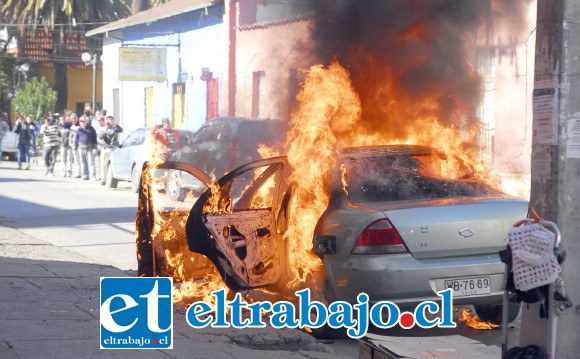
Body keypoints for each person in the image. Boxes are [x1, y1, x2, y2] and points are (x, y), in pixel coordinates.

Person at [98, 115, 123, 185]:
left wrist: (115, 125)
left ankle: (113, 179)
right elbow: (100, 137)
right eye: (108, 119)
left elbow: (121, 130)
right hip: (105, 148)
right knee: (103, 164)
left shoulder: (115, 128)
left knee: (112, 164)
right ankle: (103, 179)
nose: (109, 121)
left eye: (111, 119)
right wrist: (105, 131)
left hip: (113, 149)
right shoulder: (104, 127)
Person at [75, 115, 98, 180]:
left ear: (86, 122)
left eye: (83, 121)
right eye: (80, 121)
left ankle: (93, 176)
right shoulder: (79, 129)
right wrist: (75, 147)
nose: (82, 122)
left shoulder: (91, 129)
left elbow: (94, 138)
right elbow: (76, 139)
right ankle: (85, 175)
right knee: (83, 162)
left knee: (91, 163)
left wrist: (95, 148)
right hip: (81, 148)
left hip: (89, 148)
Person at [69, 114, 82, 178]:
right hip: (74, 146)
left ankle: (82, 173)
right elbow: (70, 137)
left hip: (80, 145)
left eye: (74, 118)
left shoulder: (80, 126)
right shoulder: (72, 127)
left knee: (81, 160)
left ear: (77, 119)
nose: (73, 120)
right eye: (72, 119)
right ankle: (78, 173)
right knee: (76, 160)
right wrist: (71, 144)